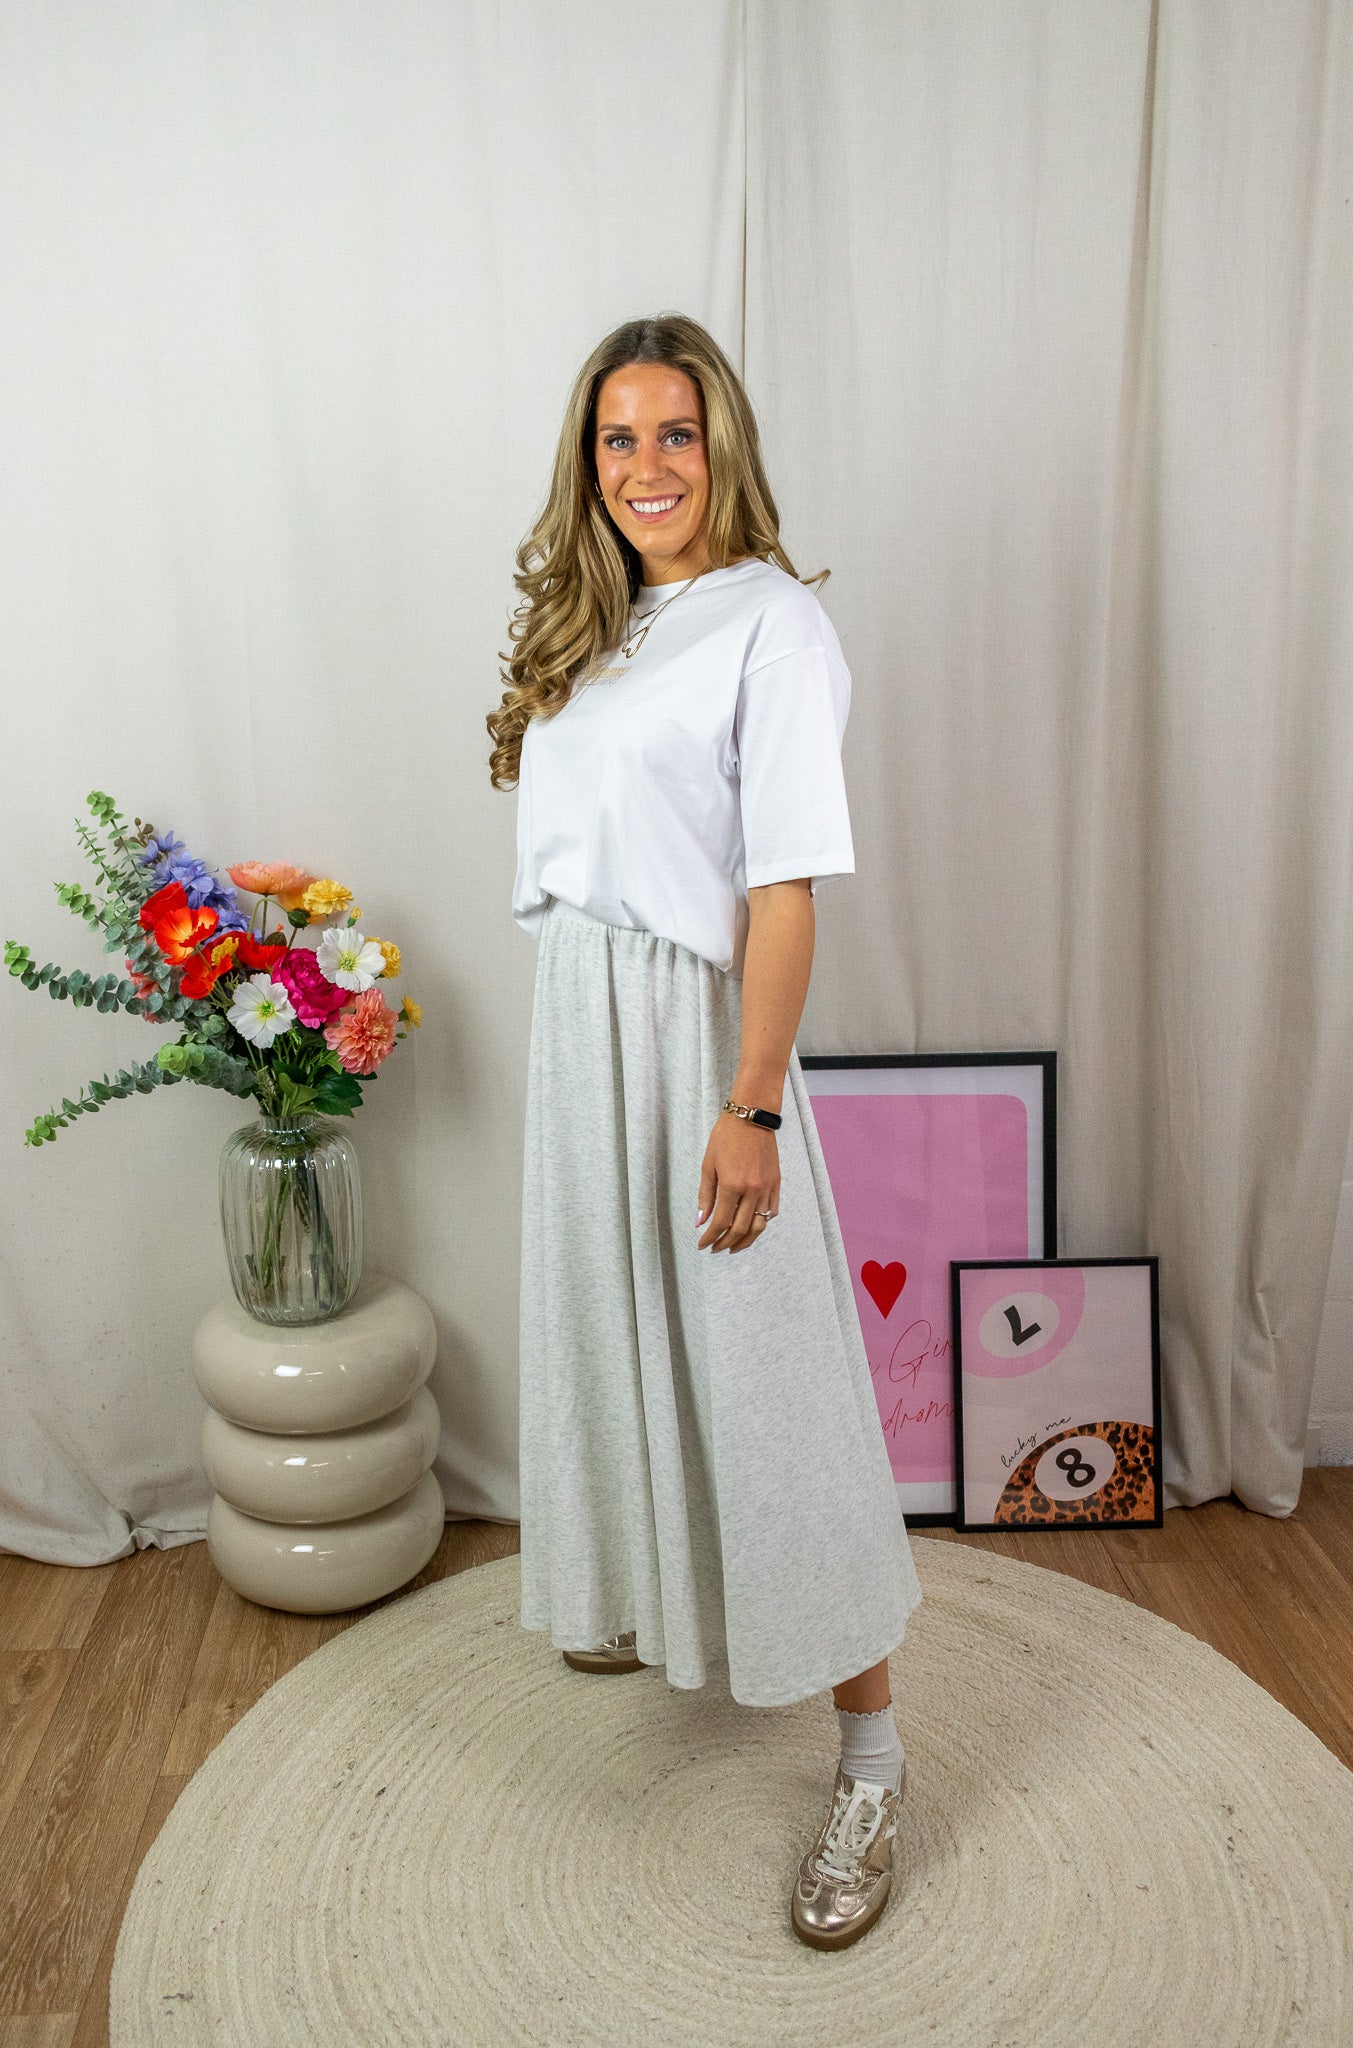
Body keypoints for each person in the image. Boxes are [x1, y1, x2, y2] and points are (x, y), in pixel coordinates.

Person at [487, 311, 925, 1951]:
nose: (646, 465)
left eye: (674, 432)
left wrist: (748, 1103)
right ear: (586, 461)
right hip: (580, 1022)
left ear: (719, 444)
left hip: (692, 1025)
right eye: (618, 438)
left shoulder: (771, 626)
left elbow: (782, 889)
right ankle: (654, 1585)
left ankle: (871, 1764)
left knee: (768, 1376)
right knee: (616, 1330)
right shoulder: (599, 624)